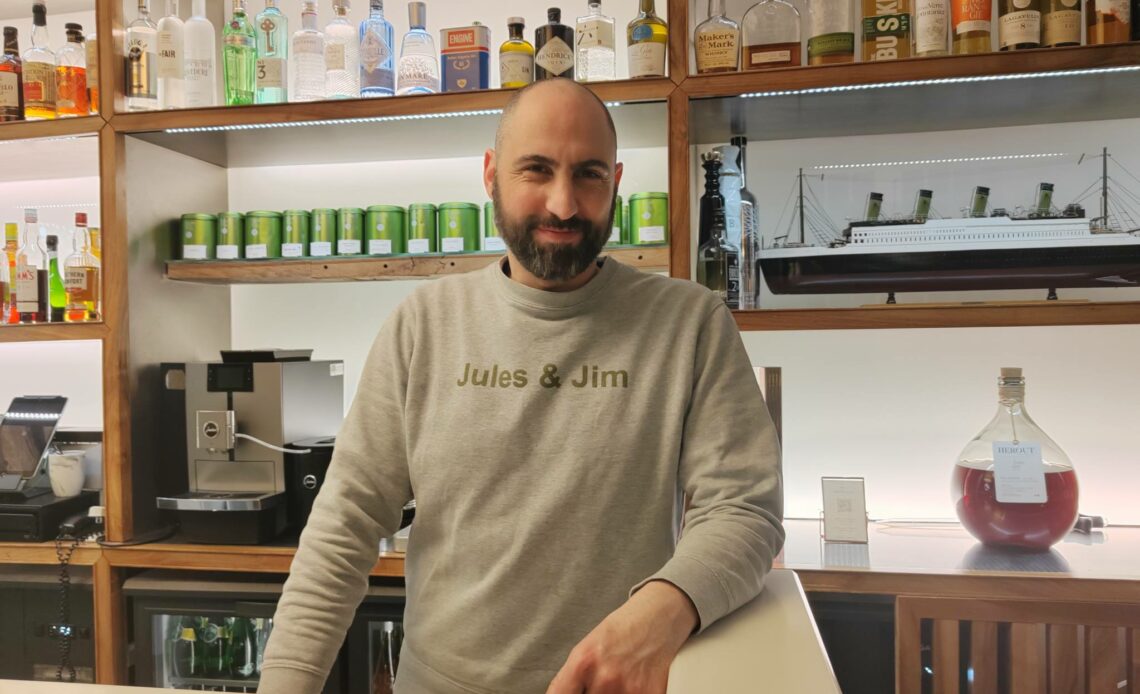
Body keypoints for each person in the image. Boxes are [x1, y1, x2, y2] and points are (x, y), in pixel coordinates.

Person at [258, 78, 784, 694]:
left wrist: (664, 609)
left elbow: (744, 510)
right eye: (536, 169)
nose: (563, 205)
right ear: (491, 175)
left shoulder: (690, 323)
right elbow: (344, 525)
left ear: (616, 182)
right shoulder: (423, 324)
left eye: (588, 174)